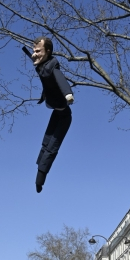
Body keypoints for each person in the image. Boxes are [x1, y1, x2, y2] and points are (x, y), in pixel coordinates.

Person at [31, 37, 74, 193]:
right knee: (45, 142)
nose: (34, 54)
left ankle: (40, 178)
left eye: (38, 51)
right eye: (33, 51)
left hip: (65, 116)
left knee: (52, 146)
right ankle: (39, 170)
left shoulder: (52, 66)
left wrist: (68, 93)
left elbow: (60, 78)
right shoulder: (41, 66)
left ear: (48, 52)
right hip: (56, 112)